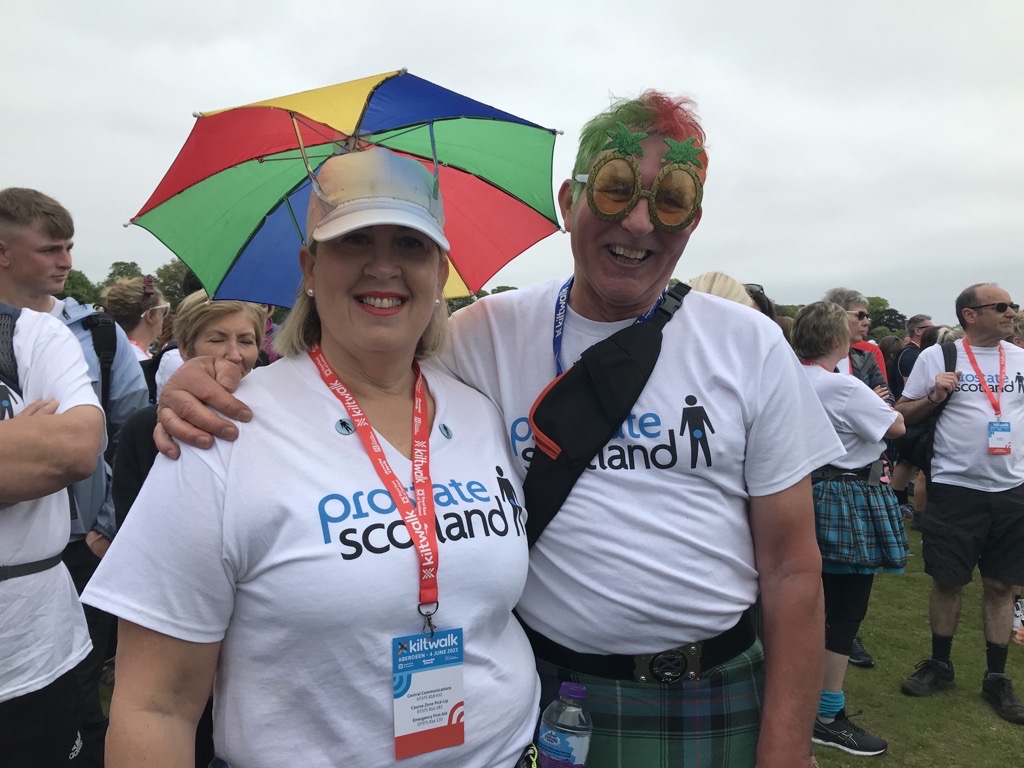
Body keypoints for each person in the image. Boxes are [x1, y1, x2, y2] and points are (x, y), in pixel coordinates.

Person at [157, 92, 844, 768]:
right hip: (555, 693)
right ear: (571, 200)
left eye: (671, 200)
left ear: (692, 221)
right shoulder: (482, 335)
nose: (639, 223)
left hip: (716, 689)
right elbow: (364, 359)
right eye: (614, 189)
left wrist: (785, 749)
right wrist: (211, 381)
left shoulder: (748, 344)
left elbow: (792, 567)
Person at [82, 147, 540, 768]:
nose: (384, 267)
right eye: (354, 241)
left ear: (440, 272)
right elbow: (154, 707)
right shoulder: (222, 428)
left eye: (410, 245)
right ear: (309, 267)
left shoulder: (480, 411)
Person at [0, 187, 149, 767]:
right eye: (50, 249)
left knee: (79, 702)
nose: (66, 261)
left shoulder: (83, 332)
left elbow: (100, 444)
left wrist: (105, 523)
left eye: (69, 247)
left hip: (74, 553)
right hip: (40, 557)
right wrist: (22, 448)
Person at [110, 290, 264, 768]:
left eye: (246, 340)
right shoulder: (147, 427)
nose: (234, 354)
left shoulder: (275, 419)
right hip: (184, 623)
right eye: (217, 339)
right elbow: (139, 534)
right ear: (186, 345)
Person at [897, 283, 1024, 725]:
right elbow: (902, 413)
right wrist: (934, 396)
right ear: (970, 314)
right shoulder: (939, 356)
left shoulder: (1020, 358)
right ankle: (940, 664)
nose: (1012, 312)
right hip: (955, 487)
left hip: (1011, 490)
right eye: (1001, 306)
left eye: (1012, 305)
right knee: (948, 580)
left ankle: (996, 677)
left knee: (1002, 585)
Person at [793, 301, 907, 757]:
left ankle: (793, 703)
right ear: (840, 340)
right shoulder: (843, 386)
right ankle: (826, 715)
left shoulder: (787, 377)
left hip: (797, 493)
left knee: (801, 606)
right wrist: (876, 405)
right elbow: (896, 427)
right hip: (844, 497)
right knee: (843, 612)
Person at [0, 304, 106, 767]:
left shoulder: (27, 333)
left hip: (31, 650)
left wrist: (33, 451)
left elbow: (76, 450)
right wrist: (18, 446)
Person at [102, 275, 169, 361]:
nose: (164, 317)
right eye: (163, 311)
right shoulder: (139, 361)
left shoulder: (108, 353)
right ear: (150, 316)